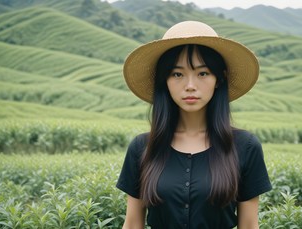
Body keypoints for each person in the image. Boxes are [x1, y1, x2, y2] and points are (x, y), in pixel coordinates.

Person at [116, 21, 272, 229]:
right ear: (165, 80)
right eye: (178, 74)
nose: (190, 86)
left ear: (219, 79)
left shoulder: (245, 146)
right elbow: (133, 224)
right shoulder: (142, 147)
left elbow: (249, 226)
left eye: (203, 73)